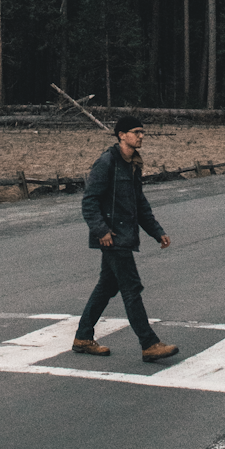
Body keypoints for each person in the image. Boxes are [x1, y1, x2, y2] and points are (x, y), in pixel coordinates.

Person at [72, 113, 179, 361]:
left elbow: (139, 203)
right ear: (122, 135)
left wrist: (157, 231)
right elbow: (89, 201)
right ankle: (149, 343)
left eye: (142, 132)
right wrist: (102, 231)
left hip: (124, 236)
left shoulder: (133, 164)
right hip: (113, 237)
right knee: (131, 288)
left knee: (107, 287)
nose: (141, 136)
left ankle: (82, 337)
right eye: (136, 132)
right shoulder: (107, 162)